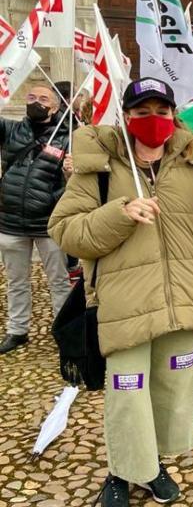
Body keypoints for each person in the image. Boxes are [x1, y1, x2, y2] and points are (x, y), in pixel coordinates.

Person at [48, 78, 193, 507]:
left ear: (173, 117)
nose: (153, 121)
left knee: (172, 389)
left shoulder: (191, 166)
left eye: (161, 112)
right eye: (142, 112)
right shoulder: (102, 168)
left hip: (182, 302)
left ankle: (151, 466)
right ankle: (121, 471)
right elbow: (65, 230)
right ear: (126, 117)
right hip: (125, 304)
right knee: (128, 392)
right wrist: (121, 213)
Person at [0, 82, 71, 354]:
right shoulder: (11, 130)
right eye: (31, 96)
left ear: (55, 107)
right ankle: (17, 330)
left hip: (48, 225)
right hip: (10, 222)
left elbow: (76, 183)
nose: (36, 102)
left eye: (43, 98)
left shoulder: (68, 138)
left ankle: (63, 331)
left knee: (59, 281)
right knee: (16, 281)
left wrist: (58, 193)